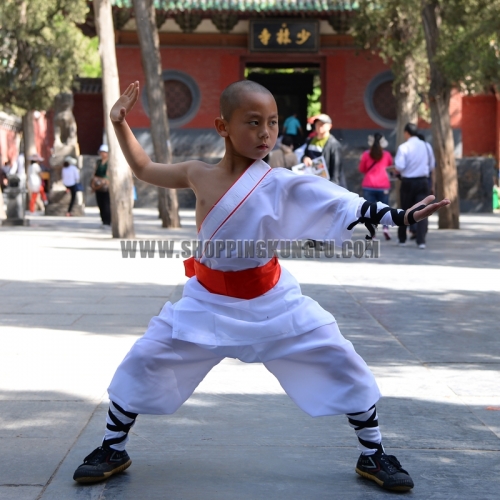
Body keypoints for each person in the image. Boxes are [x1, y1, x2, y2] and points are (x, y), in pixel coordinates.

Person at [72, 81, 449, 492]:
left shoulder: (281, 182)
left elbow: (340, 202)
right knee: (144, 358)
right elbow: (144, 168)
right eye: (253, 123)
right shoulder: (198, 173)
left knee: (340, 356)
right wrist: (119, 122)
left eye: (271, 122)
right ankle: (113, 447)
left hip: (273, 301)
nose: (266, 133)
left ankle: (373, 452)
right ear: (223, 126)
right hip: (207, 302)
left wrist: (399, 216)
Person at [393, 124, 433, 249]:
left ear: (406, 133)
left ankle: (402, 239)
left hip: (408, 182)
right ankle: (421, 241)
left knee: (405, 210)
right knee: (422, 210)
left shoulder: (404, 147)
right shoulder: (427, 146)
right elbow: (431, 165)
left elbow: (400, 167)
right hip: (423, 182)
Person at [358, 133, 393, 240]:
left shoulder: (365, 154)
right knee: (385, 209)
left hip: (369, 185)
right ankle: (385, 228)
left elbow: (362, 169)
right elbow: (390, 167)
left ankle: (372, 232)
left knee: (370, 211)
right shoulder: (387, 155)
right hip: (383, 186)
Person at [302, 114, 345, 187]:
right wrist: (305, 158)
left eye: (322, 124)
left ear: (330, 126)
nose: (319, 126)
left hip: (325, 184)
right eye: (317, 123)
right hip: (312, 181)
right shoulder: (310, 140)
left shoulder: (334, 145)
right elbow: (305, 155)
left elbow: (336, 172)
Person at [93, 144, 111, 226]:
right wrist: (94, 184)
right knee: (100, 203)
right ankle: (103, 220)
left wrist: (103, 181)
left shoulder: (109, 162)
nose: (102, 154)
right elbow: (95, 173)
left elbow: (108, 175)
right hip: (98, 183)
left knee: (106, 203)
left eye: (104, 152)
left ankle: (108, 220)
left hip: (106, 185)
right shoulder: (99, 162)